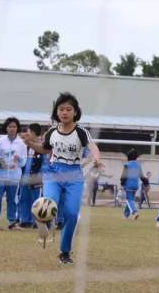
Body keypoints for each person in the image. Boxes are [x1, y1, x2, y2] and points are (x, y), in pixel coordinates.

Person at [25, 92, 102, 264]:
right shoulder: (52, 132)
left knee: (72, 214)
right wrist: (30, 143)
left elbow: (93, 147)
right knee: (49, 202)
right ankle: (43, 223)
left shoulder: (81, 132)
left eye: (68, 109)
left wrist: (97, 158)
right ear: (56, 112)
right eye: (61, 109)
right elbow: (44, 149)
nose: (64, 112)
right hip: (53, 172)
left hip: (74, 174)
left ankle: (64, 252)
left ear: (75, 112)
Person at [0, 117, 27, 230]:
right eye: (10, 126)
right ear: (6, 128)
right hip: (0, 176)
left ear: (17, 128)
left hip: (14, 177)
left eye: (14, 126)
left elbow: (24, 162)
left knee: (12, 200)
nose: (12, 129)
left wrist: (18, 159)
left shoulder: (21, 144)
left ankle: (12, 222)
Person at [18, 123, 45, 228]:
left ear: (33, 133)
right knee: (24, 198)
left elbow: (45, 163)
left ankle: (37, 221)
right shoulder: (26, 146)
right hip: (25, 176)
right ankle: (25, 220)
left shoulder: (42, 146)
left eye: (28, 132)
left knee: (37, 200)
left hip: (36, 177)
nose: (26, 134)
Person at [120, 149, 148, 220]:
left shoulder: (127, 165)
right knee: (131, 200)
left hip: (128, 185)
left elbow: (124, 175)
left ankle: (135, 212)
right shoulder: (138, 165)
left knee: (128, 200)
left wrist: (122, 184)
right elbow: (142, 176)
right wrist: (146, 183)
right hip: (135, 186)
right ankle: (125, 215)